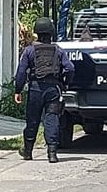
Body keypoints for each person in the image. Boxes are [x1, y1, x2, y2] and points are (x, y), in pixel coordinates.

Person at [14, 17, 75, 163]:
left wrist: (18, 90)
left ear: (37, 33)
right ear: (51, 33)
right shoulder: (58, 50)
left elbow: (21, 72)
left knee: (32, 119)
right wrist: (65, 84)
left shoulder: (29, 50)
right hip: (53, 89)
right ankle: (52, 153)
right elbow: (70, 68)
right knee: (52, 118)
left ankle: (28, 151)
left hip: (35, 88)